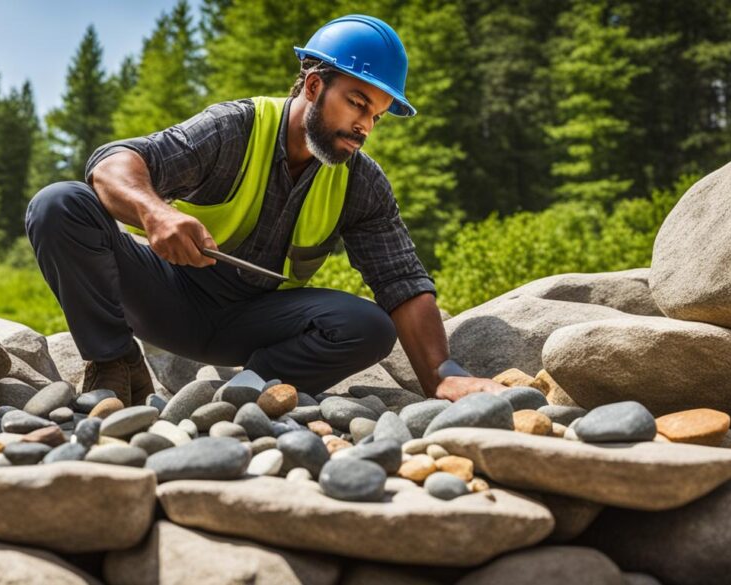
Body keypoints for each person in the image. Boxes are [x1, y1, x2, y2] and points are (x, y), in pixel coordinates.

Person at [26, 14, 504, 406]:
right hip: (164, 296)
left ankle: (249, 391)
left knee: (369, 326)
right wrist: (157, 213)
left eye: (375, 116)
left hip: (255, 325)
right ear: (314, 86)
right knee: (58, 203)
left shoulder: (362, 182)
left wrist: (442, 375)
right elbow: (112, 164)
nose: (364, 127)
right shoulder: (234, 128)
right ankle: (115, 364)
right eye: (357, 103)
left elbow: (402, 283)